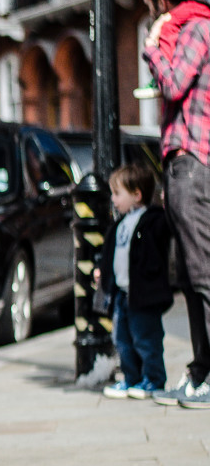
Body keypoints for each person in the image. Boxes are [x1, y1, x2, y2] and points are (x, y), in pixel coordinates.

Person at [144, 0, 210, 410]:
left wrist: (153, 47)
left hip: (193, 158)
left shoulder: (195, 27)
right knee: (190, 274)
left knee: (200, 273)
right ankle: (200, 372)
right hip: (185, 158)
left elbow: (173, 82)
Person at [95, 164, 172, 399]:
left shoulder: (154, 220)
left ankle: (154, 380)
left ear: (137, 195)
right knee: (123, 340)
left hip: (144, 295)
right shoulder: (119, 225)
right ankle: (132, 379)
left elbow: (163, 241)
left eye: (118, 193)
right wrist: (102, 272)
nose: (113, 199)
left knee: (146, 340)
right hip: (121, 294)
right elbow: (112, 254)